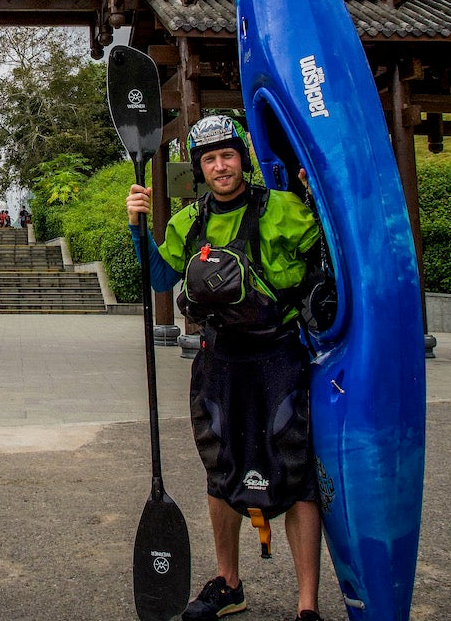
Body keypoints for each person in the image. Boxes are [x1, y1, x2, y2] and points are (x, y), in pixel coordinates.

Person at [125, 114, 329, 621]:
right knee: (222, 469)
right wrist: (136, 226)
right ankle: (228, 583)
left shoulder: (282, 209)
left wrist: (321, 202)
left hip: (278, 355)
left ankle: (307, 606)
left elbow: (328, 258)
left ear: (243, 158)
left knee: (294, 470)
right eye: (210, 159)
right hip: (218, 360)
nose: (221, 166)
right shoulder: (187, 223)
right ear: (199, 168)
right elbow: (157, 276)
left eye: (228, 155)